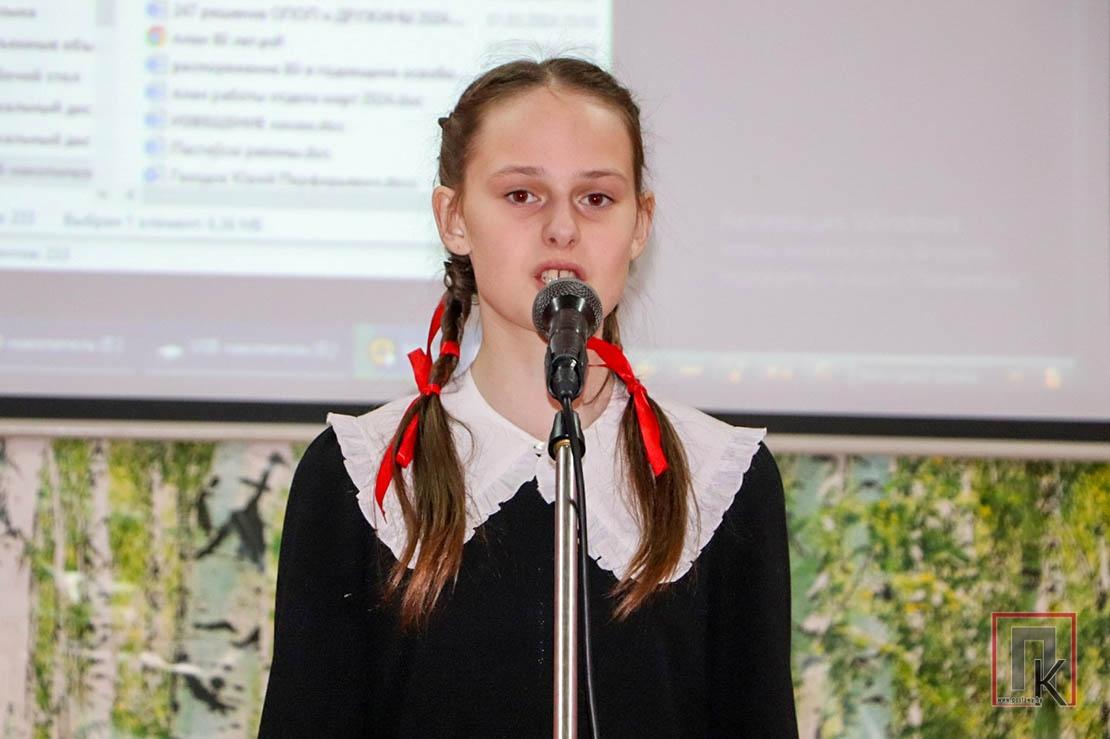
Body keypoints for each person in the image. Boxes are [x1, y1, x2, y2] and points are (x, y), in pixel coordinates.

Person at [258, 57, 797, 737]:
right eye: (522, 195)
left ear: (640, 223)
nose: (563, 228)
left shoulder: (719, 478)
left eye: (596, 198)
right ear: (454, 217)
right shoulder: (365, 474)